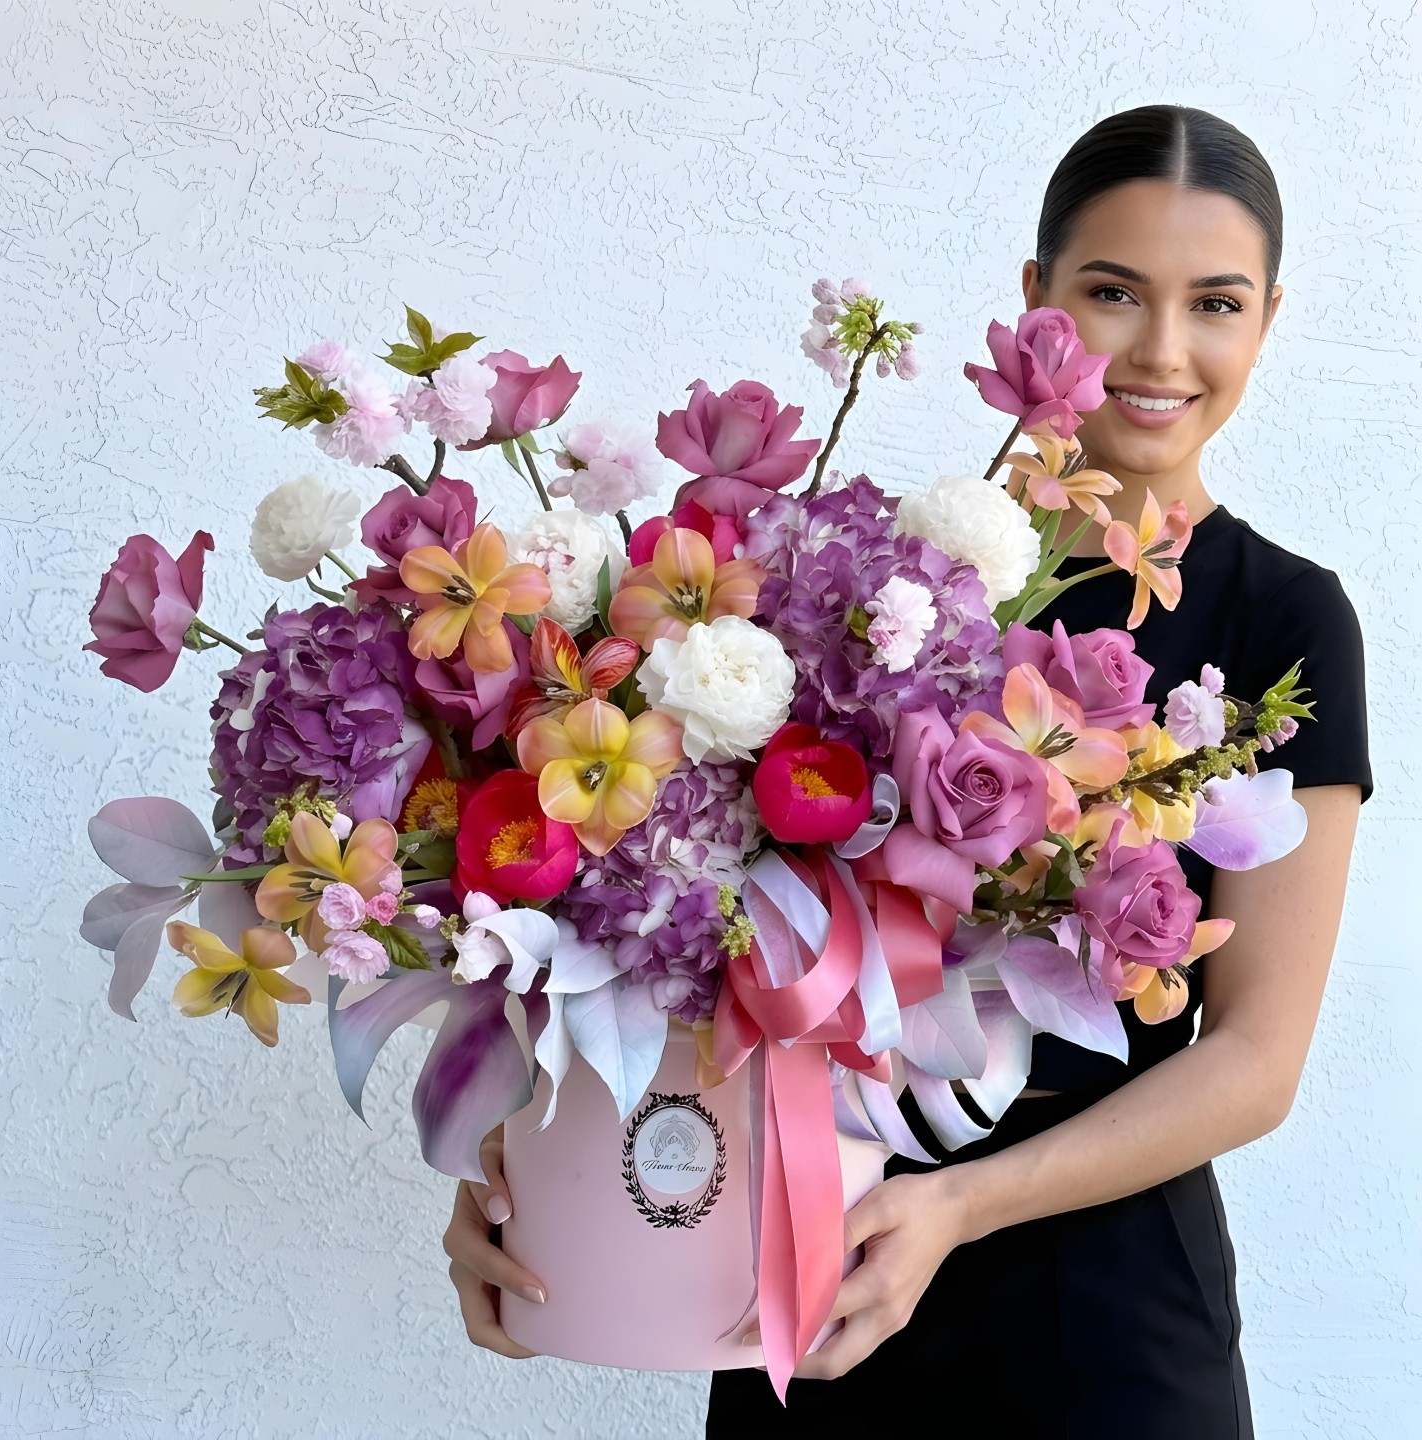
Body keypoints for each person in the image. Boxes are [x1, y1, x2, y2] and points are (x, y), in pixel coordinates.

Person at [445, 105, 1373, 1439]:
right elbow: (693, 950)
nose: (1164, 352)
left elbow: (1254, 1062)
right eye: (1112, 293)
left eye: (1215, 304)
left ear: (1267, 321)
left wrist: (953, 1206)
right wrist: (540, 1179)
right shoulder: (870, 582)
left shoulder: (1285, 618)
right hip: (806, 1298)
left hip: (1106, 1324)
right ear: (1034, 304)